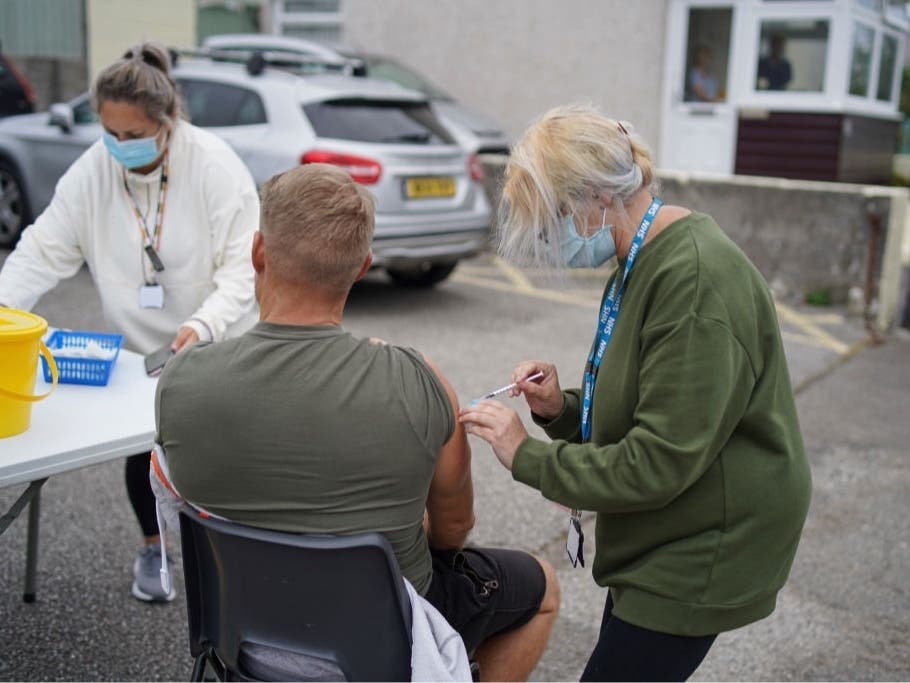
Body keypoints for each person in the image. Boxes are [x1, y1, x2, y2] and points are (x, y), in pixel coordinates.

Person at [153, 163, 560, 682]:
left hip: (244, 629)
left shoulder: (181, 380)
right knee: (543, 587)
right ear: (363, 265)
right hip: (383, 638)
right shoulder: (418, 381)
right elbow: (454, 532)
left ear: (258, 252)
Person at [459, 104, 811, 682]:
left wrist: (527, 455)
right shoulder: (638, 256)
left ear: (599, 199)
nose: (556, 241)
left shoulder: (693, 279)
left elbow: (659, 461)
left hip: (706, 541)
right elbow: (640, 403)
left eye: (556, 221)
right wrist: (561, 410)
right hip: (663, 530)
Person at [0, 42, 259, 603]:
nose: (119, 146)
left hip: (218, 341)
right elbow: (40, 252)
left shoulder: (214, 165)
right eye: (109, 134)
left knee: (217, 461)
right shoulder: (93, 171)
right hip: (144, 354)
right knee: (144, 452)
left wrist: (204, 325)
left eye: (132, 136)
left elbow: (245, 271)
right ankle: (154, 547)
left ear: (167, 124)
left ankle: (232, 560)